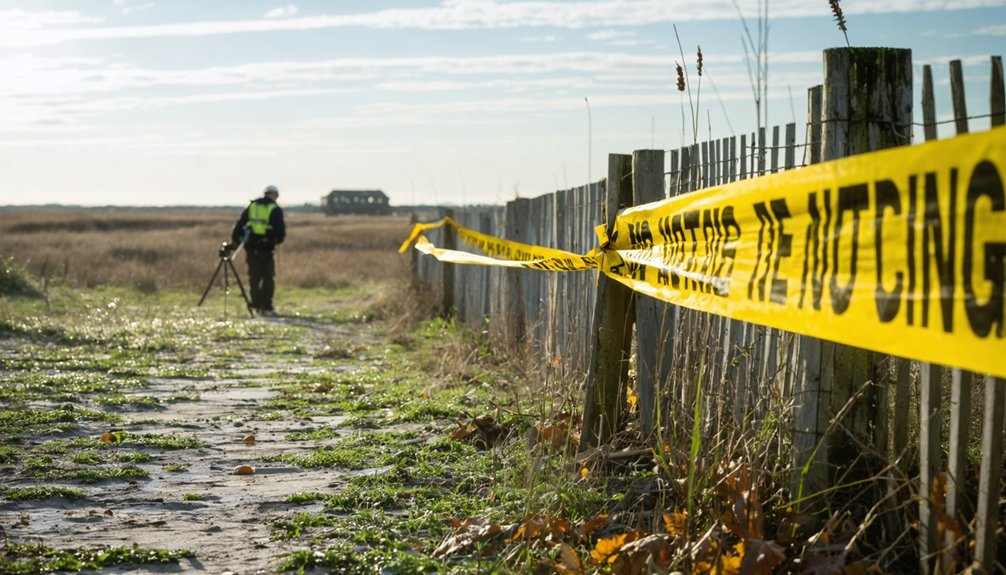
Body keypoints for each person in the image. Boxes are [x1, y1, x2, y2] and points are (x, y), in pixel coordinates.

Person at [232, 185, 285, 316]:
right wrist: (276, 241)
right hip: (267, 248)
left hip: (251, 247)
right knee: (268, 277)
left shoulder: (252, 206)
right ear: (273, 195)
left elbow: (239, 224)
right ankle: (266, 307)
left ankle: (255, 303)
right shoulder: (274, 209)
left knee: (254, 276)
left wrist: (235, 241)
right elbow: (280, 231)